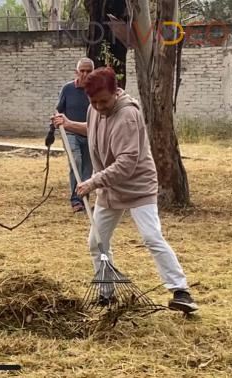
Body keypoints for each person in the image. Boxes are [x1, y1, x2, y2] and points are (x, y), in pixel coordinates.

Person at [52, 67, 198, 313]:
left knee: (152, 238)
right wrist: (69, 124)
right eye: (93, 101)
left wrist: (93, 181)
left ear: (116, 92)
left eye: (103, 101)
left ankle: (180, 290)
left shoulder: (128, 115)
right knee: (97, 242)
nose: (98, 106)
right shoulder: (95, 108)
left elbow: (127, 163)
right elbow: (96, 128)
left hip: (137, 186)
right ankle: (106, 293)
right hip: (110, 189)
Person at [55, 58, 94, 213]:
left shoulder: (96, 90)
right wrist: (53, 126)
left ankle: (84, 199)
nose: (85, 74)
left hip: (91, 134)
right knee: (75, 161)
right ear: (76, 72)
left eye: (88, 71)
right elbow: (58, 110)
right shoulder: (67, 89)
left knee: (88, 168)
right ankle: (75, 200)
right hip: (71, 133)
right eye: (82, 71)